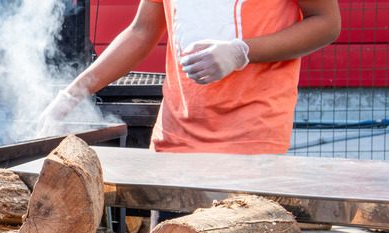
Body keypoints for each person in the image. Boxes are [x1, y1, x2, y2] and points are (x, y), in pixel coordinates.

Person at [40, 0, 341, 155]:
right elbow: (141, 32)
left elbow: (327, 22)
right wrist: (71, 94)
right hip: (175, 141)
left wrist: (243, 51)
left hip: (251, 142)